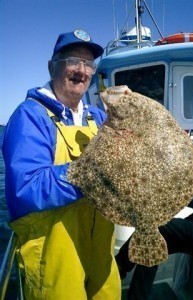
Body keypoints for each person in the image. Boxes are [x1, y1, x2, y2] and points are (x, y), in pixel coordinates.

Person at [2, 29, 121, 300]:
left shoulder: (99, 118)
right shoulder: (30, 116)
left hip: (101, 251)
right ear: (51, 66)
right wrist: (92, 172)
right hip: (55, 257)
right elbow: (27, 185)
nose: (82, 70)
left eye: (89, 64)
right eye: (72, 61)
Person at [115, 190, 193, 299]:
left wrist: (186, 198)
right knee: (153, 243)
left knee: (157, 227)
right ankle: (135, 294)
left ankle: (120, 265)